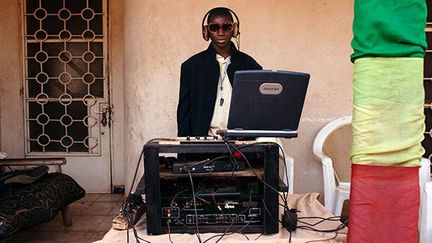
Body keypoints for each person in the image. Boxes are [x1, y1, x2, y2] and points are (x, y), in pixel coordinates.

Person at [177, 7, 262, 137]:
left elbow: (258, 110)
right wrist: (184, 149)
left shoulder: (251, 66)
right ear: (206, 31)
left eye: (226, 27)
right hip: (203, 144)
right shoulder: (191, 67)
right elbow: (184, 114)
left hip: (241, 144)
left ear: (234, 29)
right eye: (214, 27)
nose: (220, 32)